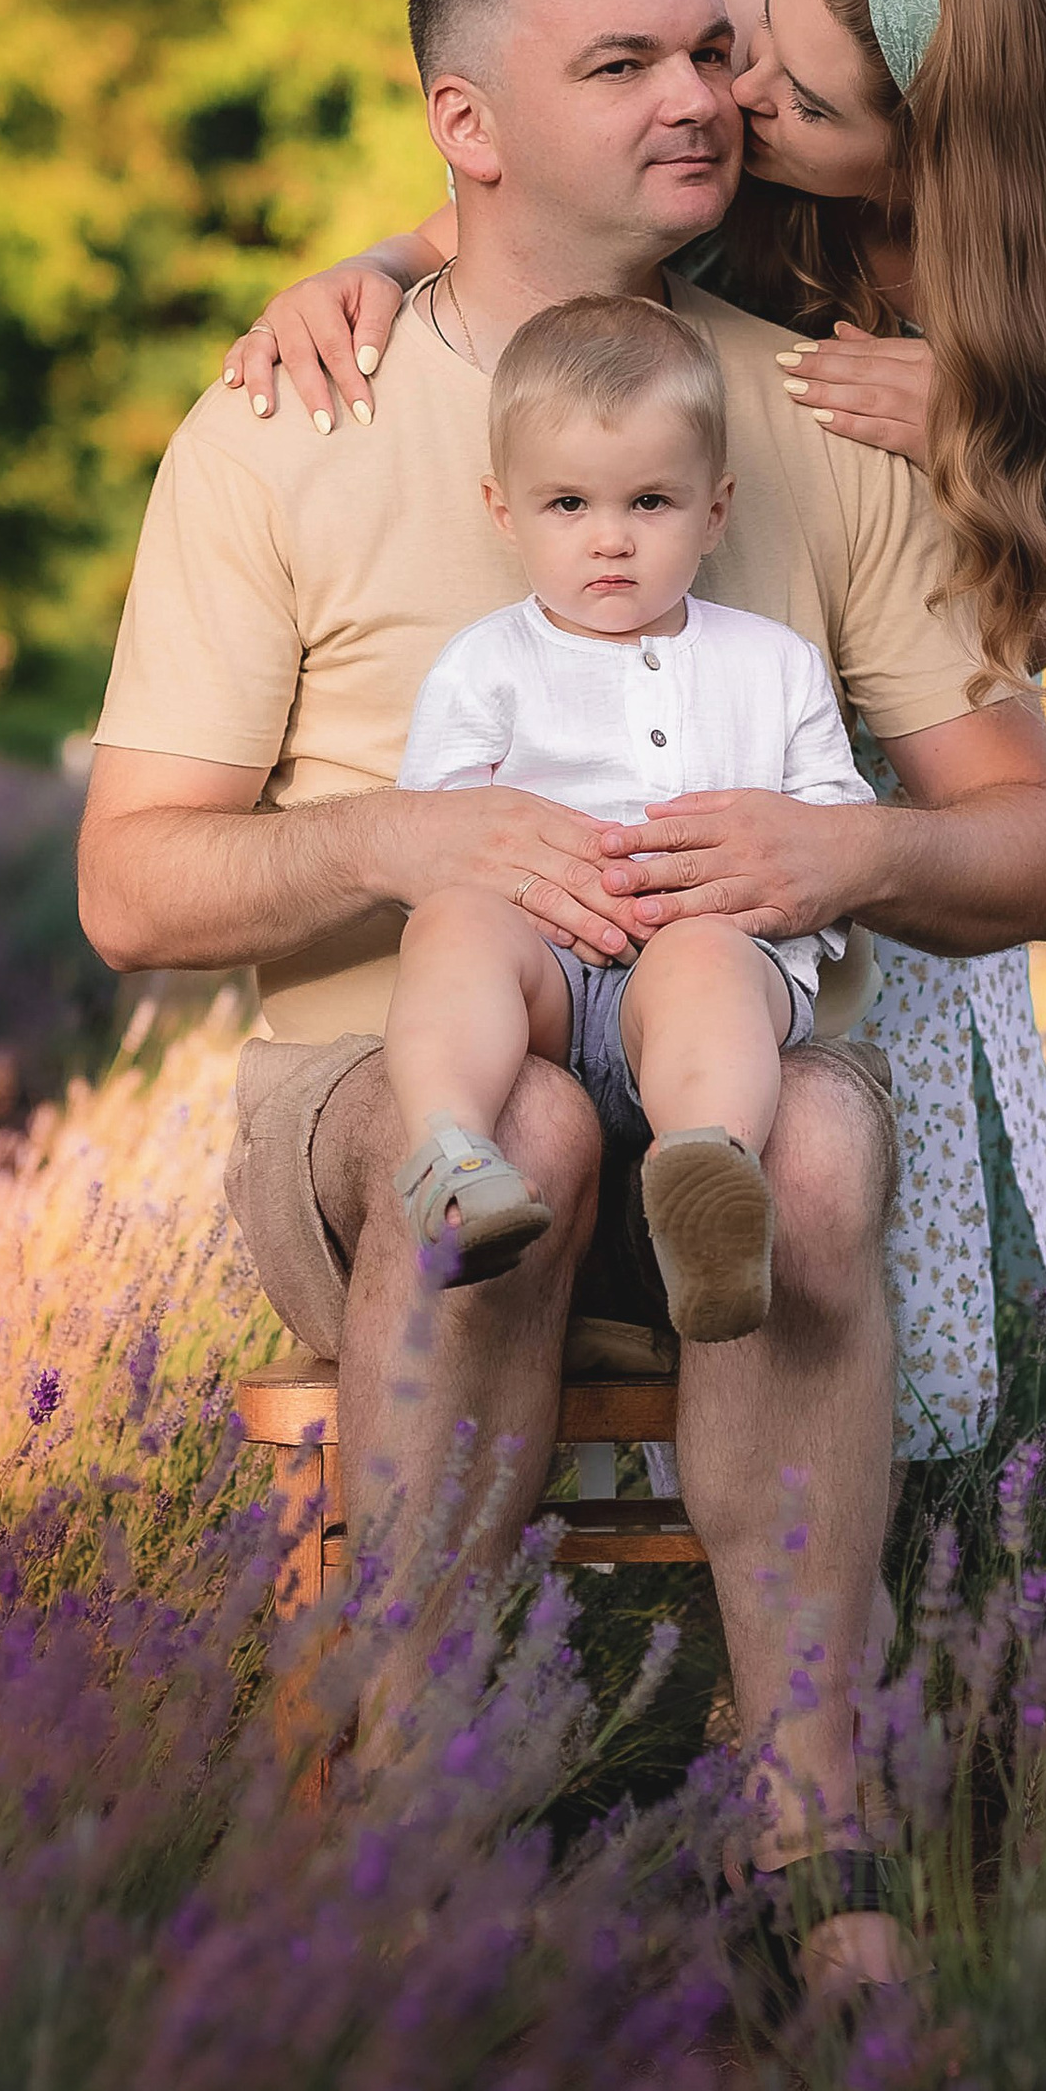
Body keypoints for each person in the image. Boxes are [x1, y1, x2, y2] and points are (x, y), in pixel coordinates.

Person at [78, 0, 1046, 1981]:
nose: (701, 96)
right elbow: (131, 890)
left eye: (709, 50)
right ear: (465, 123)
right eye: (616, 65)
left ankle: (816, 1848)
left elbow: (1029, 854)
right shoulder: (287, 422)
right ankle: (396, 1795)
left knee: (811, 1142)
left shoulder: (815, 418)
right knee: (515, 1137)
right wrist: (409, 844)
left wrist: (847, 861)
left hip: (711, 1073)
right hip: (383, 1102)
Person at [221, 0, 1046, 1460]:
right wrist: (388, 264)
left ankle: (856, 1566)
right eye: (747, 42)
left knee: (839, 1163)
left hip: (827, 725)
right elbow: (528, 156)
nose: (731, 97)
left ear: (922, 153)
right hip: (694, 573)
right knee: (562, 1031)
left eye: (794, 99)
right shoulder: (820, 1)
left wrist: (979, 427)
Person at [386, 292, 874, 1343]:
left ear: (716, 509)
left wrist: (783, 875)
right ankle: (452, 1153)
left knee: (700, 957)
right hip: (548, 989)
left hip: (709, 985)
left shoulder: (770, 664)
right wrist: (493, 879)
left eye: (650, 503)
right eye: (568, 506)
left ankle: (704, 1182)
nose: (609, 542)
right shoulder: (488, 663)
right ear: (503, 511)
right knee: (453, 928)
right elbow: (432, 836)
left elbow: (836, 831)